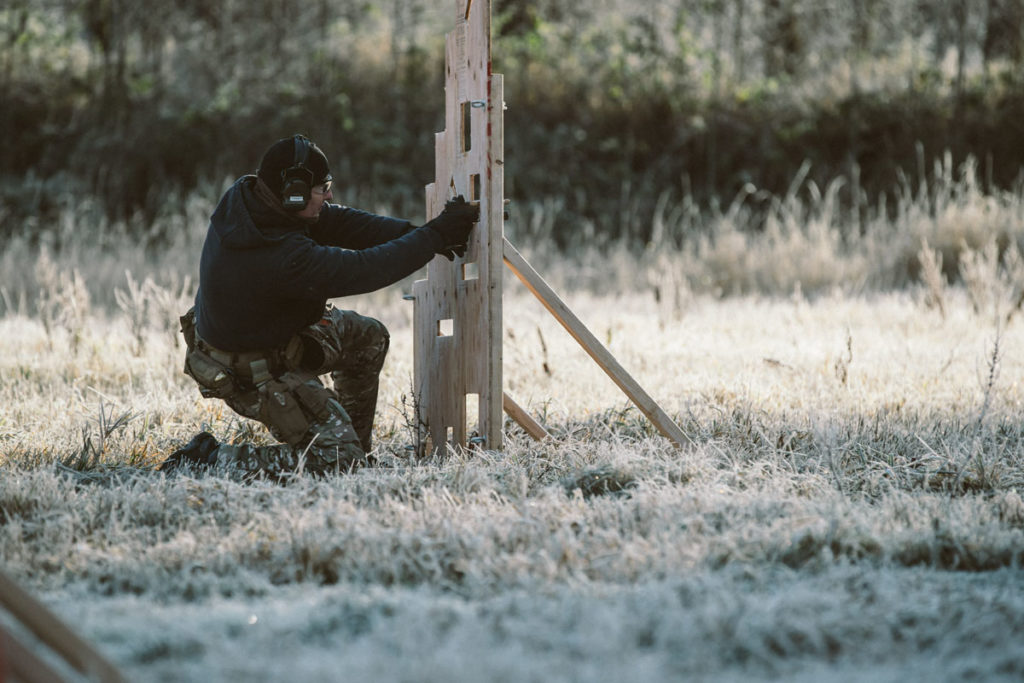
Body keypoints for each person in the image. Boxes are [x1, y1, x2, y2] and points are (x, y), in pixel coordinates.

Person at [159, 134, 477, 477]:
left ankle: (350, 444)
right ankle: (209, 460)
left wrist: (417, 232)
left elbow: (340, 222)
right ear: (293, 193)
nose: (329, 194)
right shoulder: (277, 256)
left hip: (279, 336)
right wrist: (432, 238)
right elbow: (363, 270)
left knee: (368, 338)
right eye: (322, 187)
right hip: (251, 370)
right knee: (338, 464)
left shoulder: (251, 199)